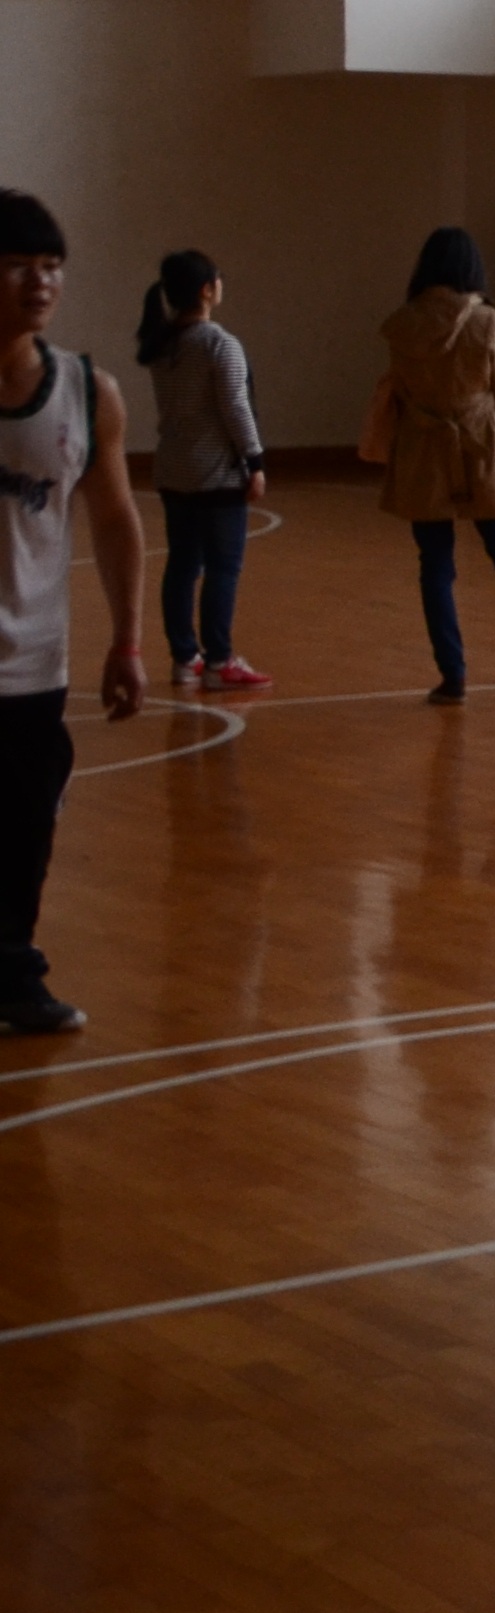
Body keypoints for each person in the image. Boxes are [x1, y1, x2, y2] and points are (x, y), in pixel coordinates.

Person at [2, 191, 147, 1039]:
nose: (41, 282)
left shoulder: (88, 392)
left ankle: (12, 973)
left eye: (53, 266)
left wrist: (128, 640)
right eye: (20, 264)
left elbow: (116, 520)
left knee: (23, 830)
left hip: (32, 660)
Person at [379, 227, 495, 705]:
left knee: (434, 566)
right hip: (482, 445)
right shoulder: (488, 320)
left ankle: (453, 678)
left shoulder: (402, 324)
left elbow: (399, 389)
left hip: (424, 449)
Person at [137, 249, 270, 692]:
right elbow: (235, 407)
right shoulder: (219, 344)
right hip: (216, 474)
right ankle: (219, 659)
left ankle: (184, 657)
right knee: (223, 567)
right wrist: (254, 460)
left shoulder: (163, 345)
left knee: (181, 564)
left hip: (174, 470)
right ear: (207, 289)